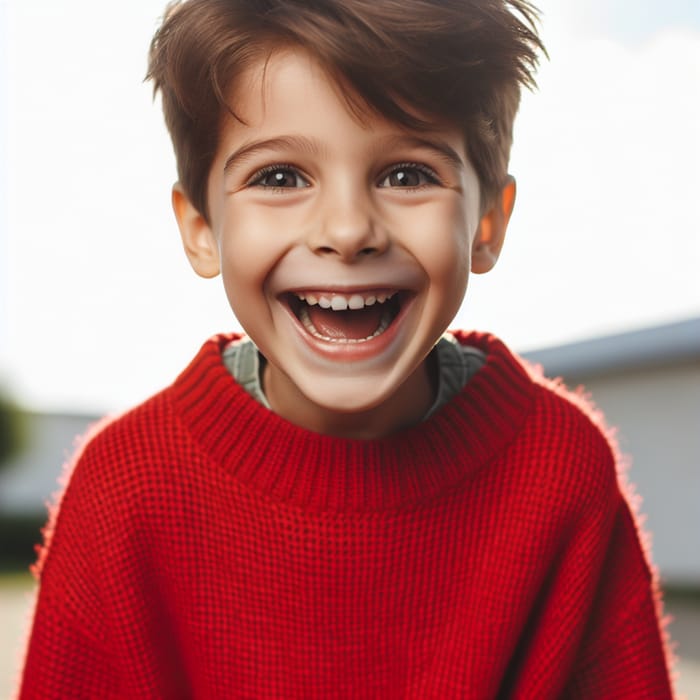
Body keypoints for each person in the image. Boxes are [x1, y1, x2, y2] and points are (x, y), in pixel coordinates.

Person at [19, 1, 674, 697]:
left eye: (407, 174)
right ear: (201, 228)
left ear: (487, 222)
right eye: (279, 177)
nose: (347, 229)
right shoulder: (124, 491)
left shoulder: (563, 470)